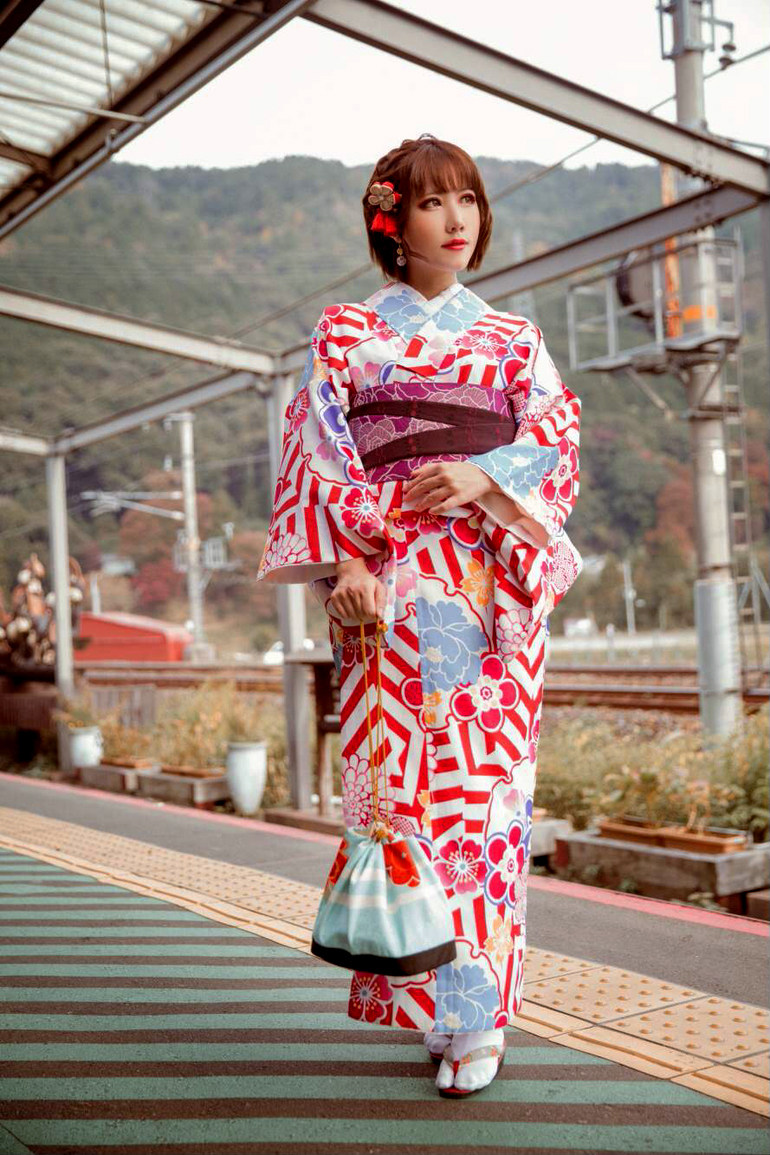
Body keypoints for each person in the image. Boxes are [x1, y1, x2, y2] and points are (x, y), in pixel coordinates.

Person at [256, 134, 582, 1097]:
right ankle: (425, 995)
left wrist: (485, 474)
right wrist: (347, 564)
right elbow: (318, 454)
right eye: (434, 202)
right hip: (384, 595)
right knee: (396, 800)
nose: (457, 218)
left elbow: (557, 438)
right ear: (391, 222)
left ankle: (478, 1017)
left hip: (486, 596)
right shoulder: (346, 334)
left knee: (486, 804)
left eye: (468, 199)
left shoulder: (513, 339)